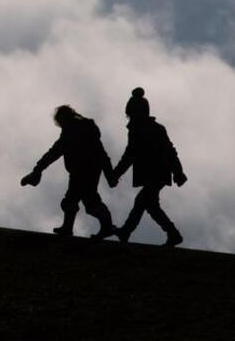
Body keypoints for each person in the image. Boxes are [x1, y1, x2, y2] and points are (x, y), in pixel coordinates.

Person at [20, 104, 119, 239]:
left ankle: (102, 227)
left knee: (82, 201)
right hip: (82, 170)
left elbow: (55, 152)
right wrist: (37, 170)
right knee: (80, 201)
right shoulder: (77, 130)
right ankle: (74, 228)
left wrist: (37, 170)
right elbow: (56, 151)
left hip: (84, 170)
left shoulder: (75, 130)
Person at [108, 87, 186, 246]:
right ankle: (128, 231)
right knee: (147, 203)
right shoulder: (155, 128)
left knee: (145, 202)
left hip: (155, 173)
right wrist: (178, 172)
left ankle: (172, 234)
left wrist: (115, 174)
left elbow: (130, 155)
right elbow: (170, 151)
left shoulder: (139, 129)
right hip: (159, 172)